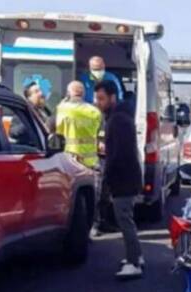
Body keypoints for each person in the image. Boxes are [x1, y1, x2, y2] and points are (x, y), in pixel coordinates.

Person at [94, 80, 144, 279]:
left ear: (113, 97)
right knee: (127, 219)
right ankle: (136, 256)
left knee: (124, 220)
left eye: (101, 98)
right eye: (97, 98)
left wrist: (108, 177)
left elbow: (119, 154)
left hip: (123, 179)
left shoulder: (117, 120)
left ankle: (134, 263)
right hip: (127, 177)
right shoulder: (120, 116)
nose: (98, 102)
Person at [55, 81, 103, 169]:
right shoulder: (95, 111)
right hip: (90, 162)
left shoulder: (62, 109)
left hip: (69, 161)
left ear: (68, 93)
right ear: (83, 94)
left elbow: (57, 133)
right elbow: (100, 136)